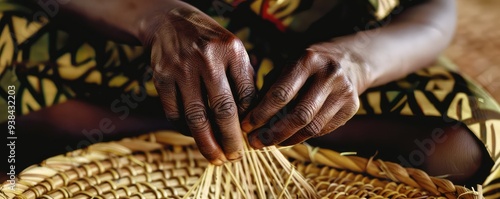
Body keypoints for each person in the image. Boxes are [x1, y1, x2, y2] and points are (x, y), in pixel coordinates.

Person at [0, 0, 498, 190]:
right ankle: (207, 127)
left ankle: (169, 131)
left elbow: (434, 10)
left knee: (465, 143)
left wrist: (361, 61)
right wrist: (152, 18)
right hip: (129, 29)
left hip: (327, 54)